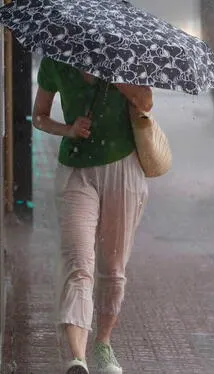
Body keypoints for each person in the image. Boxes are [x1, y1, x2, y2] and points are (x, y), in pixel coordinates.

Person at [32, 57, 153, 374]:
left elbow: (146, 102)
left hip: (123, 169)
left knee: (113, 268)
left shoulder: (125, 57)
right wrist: (68, 129)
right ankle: (77, 358)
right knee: (79, 263)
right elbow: (39, 117)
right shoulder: (55, 62)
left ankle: (103, 344)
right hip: (76, 173)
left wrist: (116, 77)